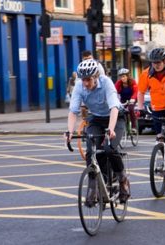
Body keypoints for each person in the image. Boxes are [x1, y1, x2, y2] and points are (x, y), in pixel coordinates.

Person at [64, 59, 130, 203]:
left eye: (88, 80)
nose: (85, 83)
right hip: (96, 118)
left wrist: (111, 129)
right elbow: (73, 111)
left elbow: (113, 108)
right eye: (83, 80)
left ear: (96, 77)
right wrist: (69, 132)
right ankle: (93, 188)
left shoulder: (106, 82)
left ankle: (122, 179)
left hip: (115, 118)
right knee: (91, 151)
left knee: (109, 148)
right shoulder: (79, 86)